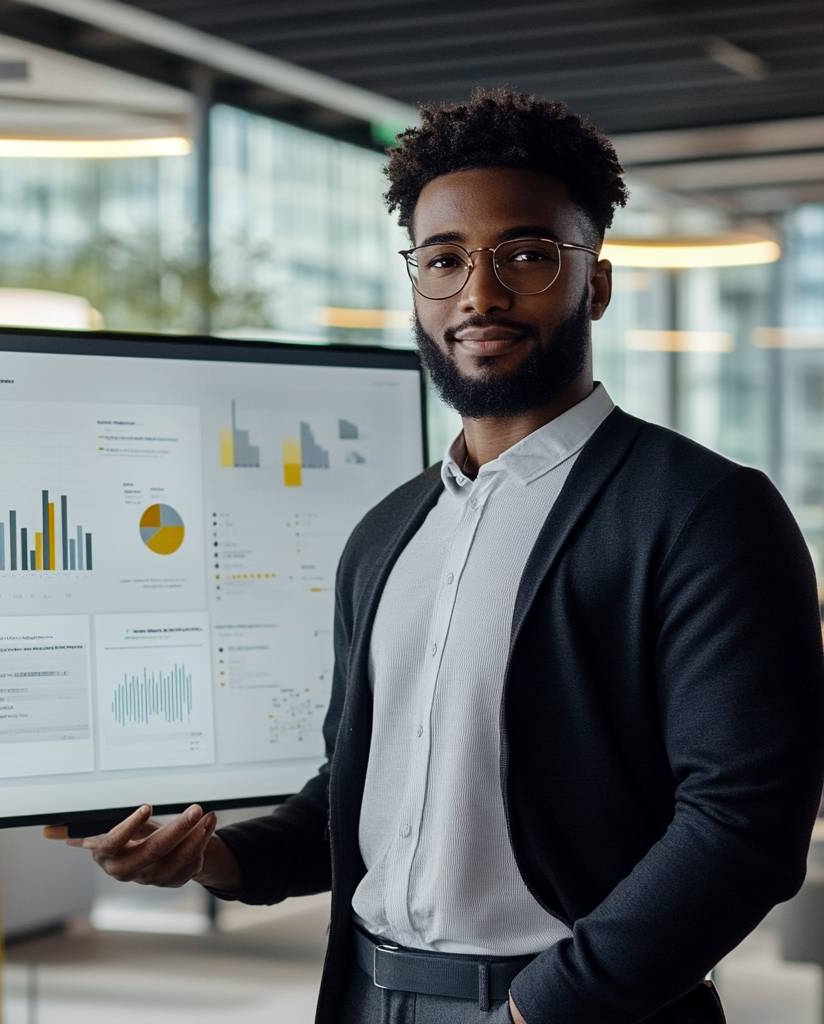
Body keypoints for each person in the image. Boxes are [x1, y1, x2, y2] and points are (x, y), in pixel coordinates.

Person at [45, 87, 824, 1024]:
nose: (480, 294)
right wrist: (211, 854)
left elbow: (745, 826)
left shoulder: (705, 511)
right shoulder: (387, 532)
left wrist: (545, 1008)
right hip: (370, 998)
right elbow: (352, 793)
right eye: (445, 259)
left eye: (527, 256)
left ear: (597, 283)